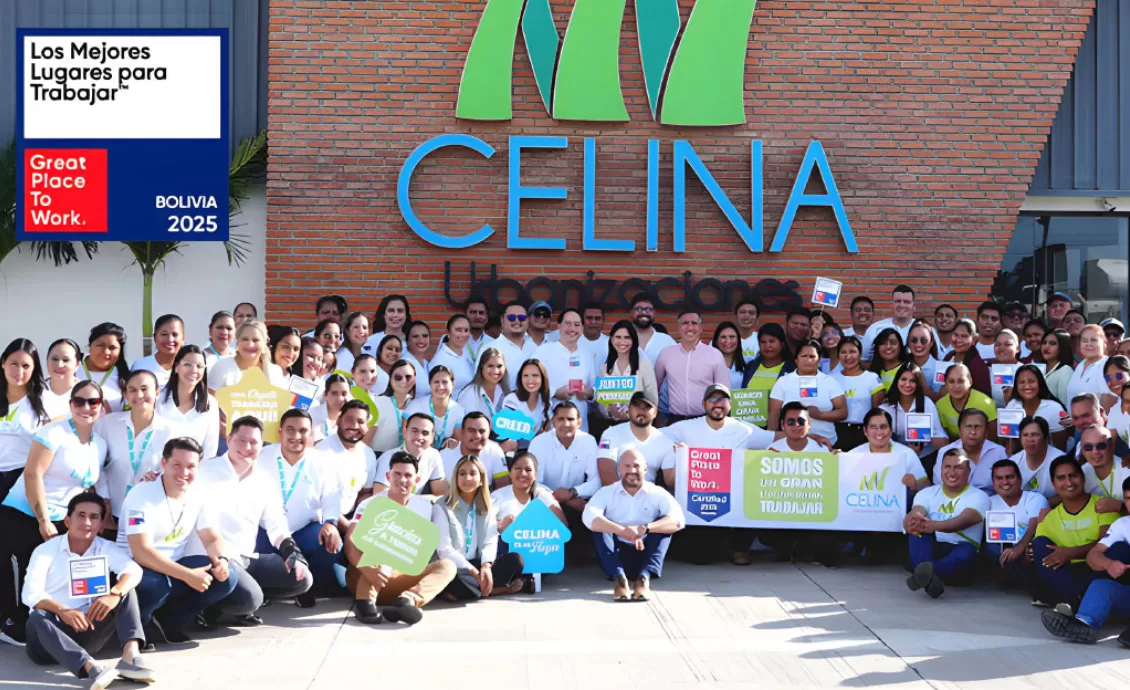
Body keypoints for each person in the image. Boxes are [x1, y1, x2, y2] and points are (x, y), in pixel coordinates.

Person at [0, 381, 107, 646]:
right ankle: (11, 623)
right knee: (25, 573)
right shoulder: (53, 432)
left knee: (52, 576)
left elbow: (87, 485)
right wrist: (43, 519)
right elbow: (32, 474)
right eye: (79, 401)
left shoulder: (100, 444)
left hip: (63, 518)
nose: (86, 407)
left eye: (93, 402)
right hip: (26, 513)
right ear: (70, 404)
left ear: (101, 406)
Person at [191, 416, 313, 625]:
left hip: (246, 558)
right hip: (211, 558)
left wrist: (292, 552)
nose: (247, 447)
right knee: (250, 600)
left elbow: (276, 523)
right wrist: (152, 478)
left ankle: (232, 597)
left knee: (302, 578)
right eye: (241, 440)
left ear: (261, 446)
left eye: (254, 442)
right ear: (229, 440)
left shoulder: (264, 480)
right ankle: (208, 604)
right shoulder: (202, 470)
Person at [22, 493, 152, 688]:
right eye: (81, 515)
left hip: (87, 629)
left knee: (126, 591)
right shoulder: (46, 550)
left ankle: (130, 657)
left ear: (101, 525)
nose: (87, 522)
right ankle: (90, 668)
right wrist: (63, 611)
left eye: (94, 517)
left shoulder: (106, 548)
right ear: (67, 521)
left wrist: (115, 593)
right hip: (49, 639)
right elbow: (30, 593)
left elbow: (133, 570)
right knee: (37, 616)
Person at [122, 437, 238, 644]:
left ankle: (171, 620)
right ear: (164, 463)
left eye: (191, 466)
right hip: (138, 567)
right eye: (177, 465)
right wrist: (188, 575)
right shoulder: (141, 494)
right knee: (155, 587)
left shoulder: (198, 493)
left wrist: (221, 560)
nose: (184, 472)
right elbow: (141, 552)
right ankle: (140, 625)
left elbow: (211, 537)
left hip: (174, 566)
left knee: (227, 578)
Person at [345, 452, 458, 625]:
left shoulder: (425, 506)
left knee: (448, 566)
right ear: (388, 476)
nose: (402, 480)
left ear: (416, 480)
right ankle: (364, 602)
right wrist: (368, 570)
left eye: (408, 475)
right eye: (397, 474)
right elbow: (350, 540)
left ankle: (406, 601)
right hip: (365, 574)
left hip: (398, 577)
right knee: (381, 542)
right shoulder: (370, 504)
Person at [257, 409, 342, 602]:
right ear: (280, 432)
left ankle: (306, 586)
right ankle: (264, 590)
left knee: (333, 543)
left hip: (303, 530)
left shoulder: (321, 461)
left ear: (311, 434)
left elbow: (331, 496)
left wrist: (331, 523)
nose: (296, 436)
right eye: (290, 430)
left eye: (303, 431)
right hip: (266, 530)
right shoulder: (261, 456)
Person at [584, 449, 685, 601]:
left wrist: (646, 528)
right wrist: (621, 530)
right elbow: (589, 517)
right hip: (615, 554)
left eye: (637, 466)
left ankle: (644, 579)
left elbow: (678, 520)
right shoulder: (606, 492)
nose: (632, 470)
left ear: (645, 469)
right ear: (619, 469)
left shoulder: (657, 492)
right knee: (600, 526)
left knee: (664, 525)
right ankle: (620, 579)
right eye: (627, 466)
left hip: (645, 552)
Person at [1041, 476, 1130, 646]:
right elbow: (1093, 555)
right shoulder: (1122, 524)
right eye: (1128, 498)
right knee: (1103, 584)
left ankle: (1075, 600)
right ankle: (1084, 625)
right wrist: (1109, 565)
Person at [1031, 456, 1116, 613]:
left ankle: (1072, 600)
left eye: (1073, 476)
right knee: (1039, 545)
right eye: (1061, 478)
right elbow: (1042, 553)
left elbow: (1108, 544)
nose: (1069, 482)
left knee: (1115, 551)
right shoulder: (1049, 518)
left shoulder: (1103, 505)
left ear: (1083, 478)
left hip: (1096, 568)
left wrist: (1071, 552)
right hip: (1065, 572)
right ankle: (1076, 597)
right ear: (1053, 484)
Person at [440, 455, 529, 600]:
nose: (467, 478)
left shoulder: (487, 506)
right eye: (462, 474)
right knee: (452, 578)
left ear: (481, 479)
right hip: (456, 566)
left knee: (516, 560)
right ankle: (498, 590)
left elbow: (490, 541)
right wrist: (474, 572)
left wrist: (486, 566)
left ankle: (476, 589)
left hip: (476, 562)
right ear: (455, 478)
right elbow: (444, 550)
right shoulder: (443, 506)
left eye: (472, 473)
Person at [905, 449, 991, 598]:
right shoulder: (926, 493)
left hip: (960, 553)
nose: (952, 472)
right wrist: (913, 521)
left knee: (966, 550)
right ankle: (930, 579)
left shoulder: (980, 496)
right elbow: (917, 512)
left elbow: (964, 520)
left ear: (969, 471)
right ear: (941, 469)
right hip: (933, 548)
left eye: (958, 467)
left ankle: (923, 572)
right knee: (917, 535)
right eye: (947, 467)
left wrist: (932, 526)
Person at [94, 370, 173, 529]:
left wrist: (159, 477)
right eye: (132, 390)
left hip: (147, 512)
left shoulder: (170, 431)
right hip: (109, 513)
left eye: (144, 389)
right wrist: (105, 500)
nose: (139, 395)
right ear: (125, 394)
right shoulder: (107, 424)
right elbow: (96, 464)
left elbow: (173, 470)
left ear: (157, 392)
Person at [528, 403, 602, 541]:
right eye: (561, 419)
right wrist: (557, 497)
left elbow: (596, 481)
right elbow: (534, 483)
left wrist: (572, 492)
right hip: (546, 502)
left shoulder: (588, 441)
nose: (566, 424)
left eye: (570, 419)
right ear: (553, 421)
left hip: (577, 499)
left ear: (579, 422)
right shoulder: (539, 442)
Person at [655, 310, 730, 424]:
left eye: (694, 323)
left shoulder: (714, 354)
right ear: (678, 328)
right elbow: (654, 387)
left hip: (706, 420)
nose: (690, 327)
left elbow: (724, 391)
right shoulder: (666, 354)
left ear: (700, 328)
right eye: (685, 323)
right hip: (676, 420)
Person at [768, 339, 847, 446]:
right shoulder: (783, 382)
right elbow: (774, 415)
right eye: (804, 356)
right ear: (796, 359)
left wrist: (819, 415)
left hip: (826, 443)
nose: (808, 360)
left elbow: (843, 412)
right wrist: (771, 442)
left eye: (812, 356)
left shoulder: (829, 381)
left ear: (819, 360)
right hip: (790, 444)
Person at [985, 459, 1047, 590]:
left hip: (1028, 547)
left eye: (1010, 477)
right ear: (993, 482)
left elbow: (1034, 524)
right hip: (1001, 552)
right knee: (991, 548)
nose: (1005, 482)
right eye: (999, 478)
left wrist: (1019, 549)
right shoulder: (988, 501)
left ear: (1019, 479)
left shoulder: (1034, 498)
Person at [0, 339, 50, 502]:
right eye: (13, 364)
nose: (19, 371)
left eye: (26, 366)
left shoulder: (45, 400)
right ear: (3, 363)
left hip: (22, 479)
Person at [597, 392, 675, 489]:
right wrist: (625, 496)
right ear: (629, 409)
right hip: (615, 493)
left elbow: (671, 482)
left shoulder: (665, 441)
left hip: (648, 495)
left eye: (647, 407)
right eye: (637, 406)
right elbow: (606, 476)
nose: (641, 411)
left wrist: (681, 458)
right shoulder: (610, 434)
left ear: (655, 412)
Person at [535, 308, 596, 430]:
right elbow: (531, 383)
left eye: (577, 325)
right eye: (568, 324)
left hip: (580, 425)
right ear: (559, 326)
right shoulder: (543, 351)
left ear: (582, 328)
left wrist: (590, 393)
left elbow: (593, 386)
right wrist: (555, 392)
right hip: (551, 423)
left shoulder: (587, 354)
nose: (572, 329)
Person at [315, 399, 378, 518]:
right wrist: (347, 526)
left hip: (350, 517)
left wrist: (359, 519)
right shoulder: (321, 452)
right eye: (349, 420)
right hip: (322, 519)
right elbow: (318, 500)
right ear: (338, 421)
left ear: (367, 426)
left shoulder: (368, 454)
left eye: (360, 421)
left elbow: (365, 492)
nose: (354, 426)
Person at [158, 345, 221, 460]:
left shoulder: (211, 403)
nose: (194, 370)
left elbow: (210, 450)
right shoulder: (157, 399)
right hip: (160, 468)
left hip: (195, 468)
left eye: (199, 366)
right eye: (187, 364)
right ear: (176, 367)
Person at [850, 408, 929, 491]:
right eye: (873, 427)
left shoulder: (907, 453)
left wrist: (916, 485)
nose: (879, 432)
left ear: (891, 430)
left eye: (883, 427)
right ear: (865, 431)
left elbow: (927, 485)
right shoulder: (853, 455)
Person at [878, 362, 947, 455]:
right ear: (897, 380)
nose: (907, 384)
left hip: (925, 456)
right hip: (895, 455)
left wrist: (928, 436)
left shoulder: (926, 403)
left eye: (912, 381)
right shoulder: (885, 408)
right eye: (904, 379)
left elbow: (940, 435)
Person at [373, 412, 448, 496]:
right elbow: (379, 495)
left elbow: (441, 493)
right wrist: (418, 500)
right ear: (405, 432)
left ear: (432, 437)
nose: (419, 437)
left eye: (425, 433)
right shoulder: (388, 458)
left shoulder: (434, 455)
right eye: (414, 431)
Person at [934, 409, 1008, 492]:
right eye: (968, 426)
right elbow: (939, 484)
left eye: (977, 427)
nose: (973, 432)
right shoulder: (945, 452)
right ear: (959, 430)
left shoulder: (1000, 453)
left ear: (986, 431)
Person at [491, 450, 568, 530]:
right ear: (510, 473)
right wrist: (501, 525)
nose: (523, 474)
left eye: (528, 470)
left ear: (535, 475)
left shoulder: (543, 493)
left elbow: (563, 526)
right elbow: (485, 526)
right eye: (517, 468)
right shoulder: (496, 496)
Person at [831, 336, 882, 450]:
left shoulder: (872, 378)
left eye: (852, 351)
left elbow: (877, 411)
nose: (848, 356)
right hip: (836, 433)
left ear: (860, 354)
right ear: (838, 356)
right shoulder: (831, 379)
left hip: (863, 434)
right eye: (843, 352)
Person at [208, 320, 287, 392]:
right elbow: (210, 399)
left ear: (264, 344)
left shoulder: (274, 371)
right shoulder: (222, 366)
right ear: (237, 342)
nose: (250, 344)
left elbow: (281, 400)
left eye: (255, 340)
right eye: (245, 339)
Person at [1005, 364, 1069, 449]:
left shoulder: (1054, 408)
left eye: (1031, 381)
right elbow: (1008, 441)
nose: (1027, 386)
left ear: (1039, 383)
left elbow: (1060, 448)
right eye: (1022, 382)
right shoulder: (1012, 405)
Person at [440, 412, 508, 486]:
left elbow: (502, 487)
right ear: (462, 432)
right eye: (471, 430)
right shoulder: (444, 455)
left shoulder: (495, 451)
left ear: (489, 433)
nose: (477, 436)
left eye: (482, 431)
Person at [406, 366, 464, 450]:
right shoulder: (415, 406)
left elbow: (458, 442)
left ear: (453, 384)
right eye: (436, 382)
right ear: (430, 384)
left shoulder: (458, 410)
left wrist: (453, 442)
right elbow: (406, 438)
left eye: (445, 382)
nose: (441, 386)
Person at [367, 359, 418, 454]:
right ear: (390, 379)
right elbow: (365, 442)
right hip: (377, 456)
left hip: (406, 458)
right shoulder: (377, 402)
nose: (404, 381)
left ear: (414, 379)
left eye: (408, 377)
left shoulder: (417, 406)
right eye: (398, 377)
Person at [935, 363, 997, 440]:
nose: (956, 386)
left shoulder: (985, 403)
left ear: (970, 381)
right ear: (946, 384)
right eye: (951, 381)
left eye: (961, 381)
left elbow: (993, 436)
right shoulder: (940, 405)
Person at [860, 285, 919, 363]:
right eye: (898, 301)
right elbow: (864, 360)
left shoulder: (925, 329)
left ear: (914, 306)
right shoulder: (875, 329)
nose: (902, 305)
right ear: (891, 305)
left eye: (907, 302)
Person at [79, 323, 130, 412]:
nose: (106, 352)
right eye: (100, 345)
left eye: (112, 348)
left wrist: (110, 417)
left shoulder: (125, 377)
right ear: (90, 346)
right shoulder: (73, 369)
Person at [1011, 416, 1065, 500]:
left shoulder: (1062, 461)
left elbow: (1068, 494)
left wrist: (1045, 504)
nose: (1030, 439)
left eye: (1035, 435)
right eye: (1025, 435)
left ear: (1046, 439)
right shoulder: (1013, 462)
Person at [500, 359, 553, 443]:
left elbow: (547, 433)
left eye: (535, 375)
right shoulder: (511, 400)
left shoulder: (545, 402)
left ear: (542, 378)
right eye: (526, 375)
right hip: (515, 448)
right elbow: (509, 436)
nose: (530, 380)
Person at [488, 303, 537, 389]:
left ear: (528, 320)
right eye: (511, 317)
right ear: (502, 320)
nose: (517, 321)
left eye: (522, 317)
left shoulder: (536, 347)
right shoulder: (489, 349)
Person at [1079, 424, 1130, 505]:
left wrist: (1119, 507)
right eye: (1088, 447)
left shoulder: (1127, 470)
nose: (1095, 452)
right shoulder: (1081, 474)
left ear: (1111, 446)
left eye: (1101, 446)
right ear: (1081, 450)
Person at [129, 314, 185, 388]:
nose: (170, 339)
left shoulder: (191, 367)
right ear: (155, 338)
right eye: (164, 334)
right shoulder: (141, 366)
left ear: (183, 339)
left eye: (175, 334)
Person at [457, 347, 509, 420]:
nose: (495, 371)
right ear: (482, 367)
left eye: (499, 366)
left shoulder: (505, 392)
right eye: (490, 366)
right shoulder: (469, 394)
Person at [944, 318, 992, 397]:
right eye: (956, 335)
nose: (958, 340)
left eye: (964, 336)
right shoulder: (948, 357)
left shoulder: (978, 365)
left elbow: (983, 395)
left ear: (974, 339)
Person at [740, 322, 796, 389]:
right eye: (763, 342)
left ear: (782, 344)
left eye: (771, 341)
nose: (767, 345)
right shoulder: (750, 367)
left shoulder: (792, 369)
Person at [430, 314, 476, 393]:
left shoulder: (465, 352)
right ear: (448, 333)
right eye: (458, 330)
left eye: (466, 330)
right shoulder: (440, 360)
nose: (463, 334)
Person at [1067, 324, 1109, 404]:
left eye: (1094, 340)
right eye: (1084, 341)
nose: (1089, 344)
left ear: (1104, 343)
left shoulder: (1109, 366)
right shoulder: (1080, 366)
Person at [42, 338, 81, 421]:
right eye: (55, 359)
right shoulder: (33, 392)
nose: (59, 365)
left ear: (77, 365)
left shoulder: (87, 394)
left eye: (66, 360)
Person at [629, 294, 676, 363]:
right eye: (639, 309)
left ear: (654, 312)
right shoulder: (620, 339)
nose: (644, 312)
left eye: (648, 309)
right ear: (631, 312)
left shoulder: (667, 341)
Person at [906, 320, 944, 400]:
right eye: (914, 340)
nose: (918, 344)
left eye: (923, 340)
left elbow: (938, 399)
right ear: (908, 343)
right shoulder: (902, 365)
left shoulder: (941, 368)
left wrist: (921, 377)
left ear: (931, 342)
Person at [310, 374, 351, 442]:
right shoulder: (312, 415)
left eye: (344, 394)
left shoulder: (351, 419)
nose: (340, 398)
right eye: (334, 393)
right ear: (326, 394)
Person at [867, 328, 908, 395]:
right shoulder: (871, 372)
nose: (888, 347)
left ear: (900, 346)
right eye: (883, 343)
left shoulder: (909, 369)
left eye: (893, 343)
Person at [711, 321, 748, 392]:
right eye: (723, 337)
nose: (728, 341)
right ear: (716, 341)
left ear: (738, 340)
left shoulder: (749, 362)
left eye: (732, 337)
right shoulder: (708, 363)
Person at [1042, 329, 1075, 405]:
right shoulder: (1040, 369)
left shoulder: (1065, 371)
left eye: (1052, 343)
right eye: (1044, 342)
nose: (1046, 346)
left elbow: (1065, 405)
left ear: (1063, 346)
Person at [990, 329, 1022, 407]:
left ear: (1017, 348)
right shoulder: (988, 370)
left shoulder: (1025, 370)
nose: (1001, 348)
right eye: (997, 345)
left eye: (1007, 344)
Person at [403, 320, 432, 398]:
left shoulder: (426, 363)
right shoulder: (404, 364)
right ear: (407, 341)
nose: (421, 340)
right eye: (415, 336)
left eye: (425, 336)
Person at [579, 302, 610, 367]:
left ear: (603, 320)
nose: (593, 322)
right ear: (582, 320)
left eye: (597, 318)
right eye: (589, 318)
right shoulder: (572, 343)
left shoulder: (611, 344)